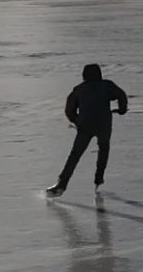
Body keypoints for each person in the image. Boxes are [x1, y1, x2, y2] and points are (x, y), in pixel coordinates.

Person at [46, 63, 128, 196]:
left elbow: (69, 109)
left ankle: (62, 184)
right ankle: (99, 177)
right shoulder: (107, 86)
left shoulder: (79, 89)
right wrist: (122, 109)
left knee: (75, 155)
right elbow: (121, 95)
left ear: (84, 75)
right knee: (104, 148)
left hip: (85, 126)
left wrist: (76, 120)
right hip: (104, 124)